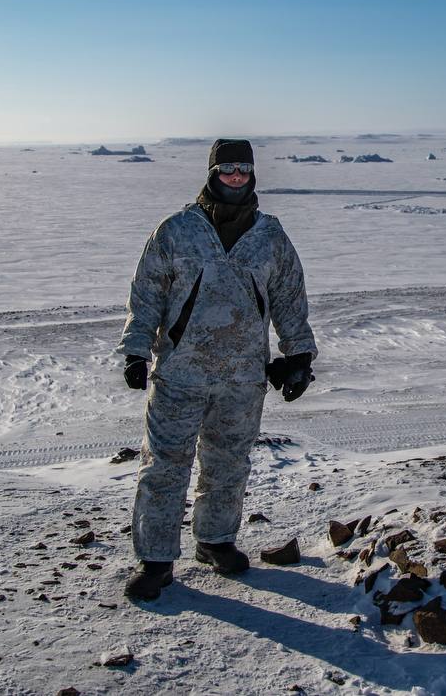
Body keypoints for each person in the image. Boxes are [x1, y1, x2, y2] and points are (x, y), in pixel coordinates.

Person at [117, 138, 317, 601]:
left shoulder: (270, 235)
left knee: (228, 464)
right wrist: (135, 349)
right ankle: (156, 560)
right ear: (212, 173)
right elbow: (146, 292)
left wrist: (299, 355)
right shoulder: (177, 230)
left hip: (243, 376)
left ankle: (214, 541)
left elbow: (290, 297)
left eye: (243, 169)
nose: (235, 177)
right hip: (179, 374)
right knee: (164, 466)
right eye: (226, 168)